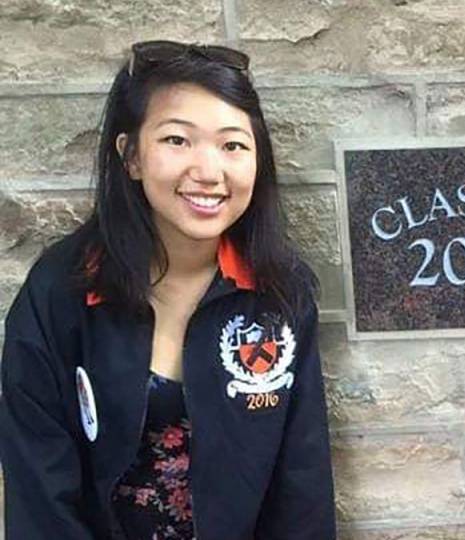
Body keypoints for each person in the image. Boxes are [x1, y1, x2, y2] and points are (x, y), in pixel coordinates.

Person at [0, 41, 336, 539]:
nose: (208, 171)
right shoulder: (60, 291)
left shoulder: (279, 292)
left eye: (233, 145)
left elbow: (301, 486)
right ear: (131, 155)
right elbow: (39, 492)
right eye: (177, 140)